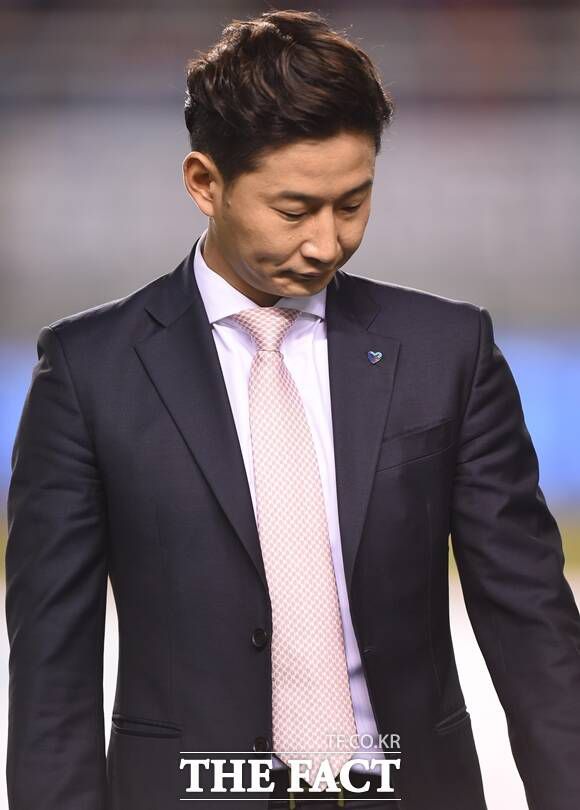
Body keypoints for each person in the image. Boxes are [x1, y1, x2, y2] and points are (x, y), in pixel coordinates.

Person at [4, 9, 580, 810]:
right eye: (294, 209)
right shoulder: (86, 372)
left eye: (353, 203)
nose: (326, 242)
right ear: (204, 183)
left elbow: (533, 629)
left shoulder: (449, 351)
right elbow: (51, 680)